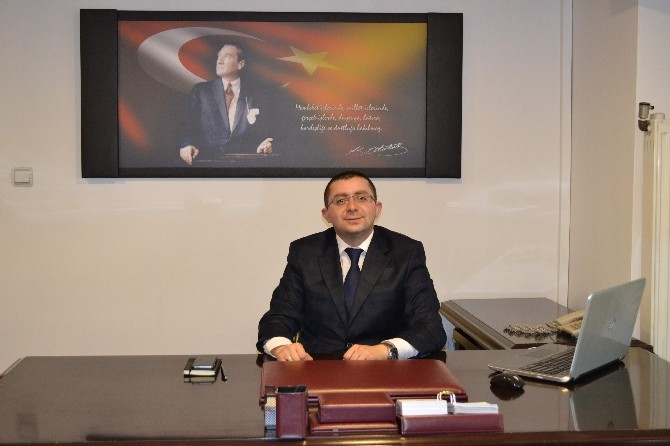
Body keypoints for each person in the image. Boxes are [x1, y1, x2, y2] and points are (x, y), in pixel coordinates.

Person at [257, 170, 446, 361]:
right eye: (340, 201)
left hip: (383, 369)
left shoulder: (406, 252)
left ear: (377, 209)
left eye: (362, 198)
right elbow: (279, 317)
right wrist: (281, 347)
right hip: (318, 367)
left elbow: (431, 328)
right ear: (326, 214)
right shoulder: (305, 252)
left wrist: (385, 350)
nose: (352, 207)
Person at [178, 43, 273, 164]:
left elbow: (265, 131)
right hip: (207, 163)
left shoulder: (257, 94)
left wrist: (264, 145)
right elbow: (186, 125)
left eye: (227, 56)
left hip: (244, 164)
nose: (219, 61)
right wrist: (186, 145)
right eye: (219, 56)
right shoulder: (201, 91)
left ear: (241, 64)